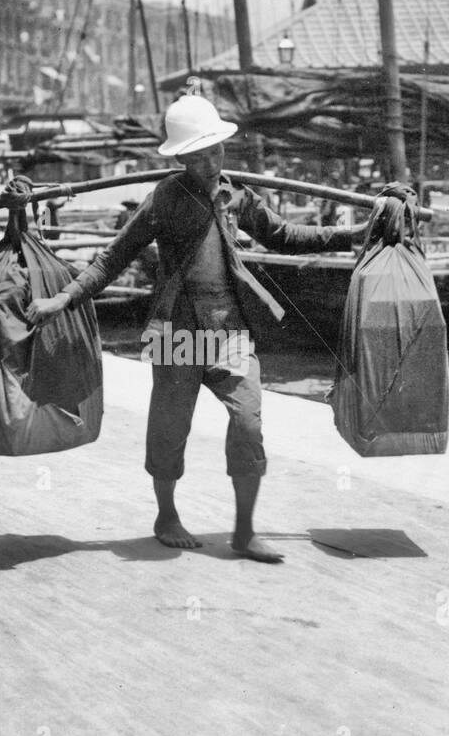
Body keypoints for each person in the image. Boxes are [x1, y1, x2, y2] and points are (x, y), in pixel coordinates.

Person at [27, 95, 366, 562]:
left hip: (231, 330)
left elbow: (285, 235)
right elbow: (114, 258)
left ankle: (244, 531)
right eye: (199, 155)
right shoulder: (165, 199)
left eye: (216, 152)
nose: (209, 163)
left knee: (248, 422)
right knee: (169, 428)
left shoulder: (237, 196)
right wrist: (65, 298)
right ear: (181, 157)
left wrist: (352, 235)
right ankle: (166, 515)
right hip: (178, 331)